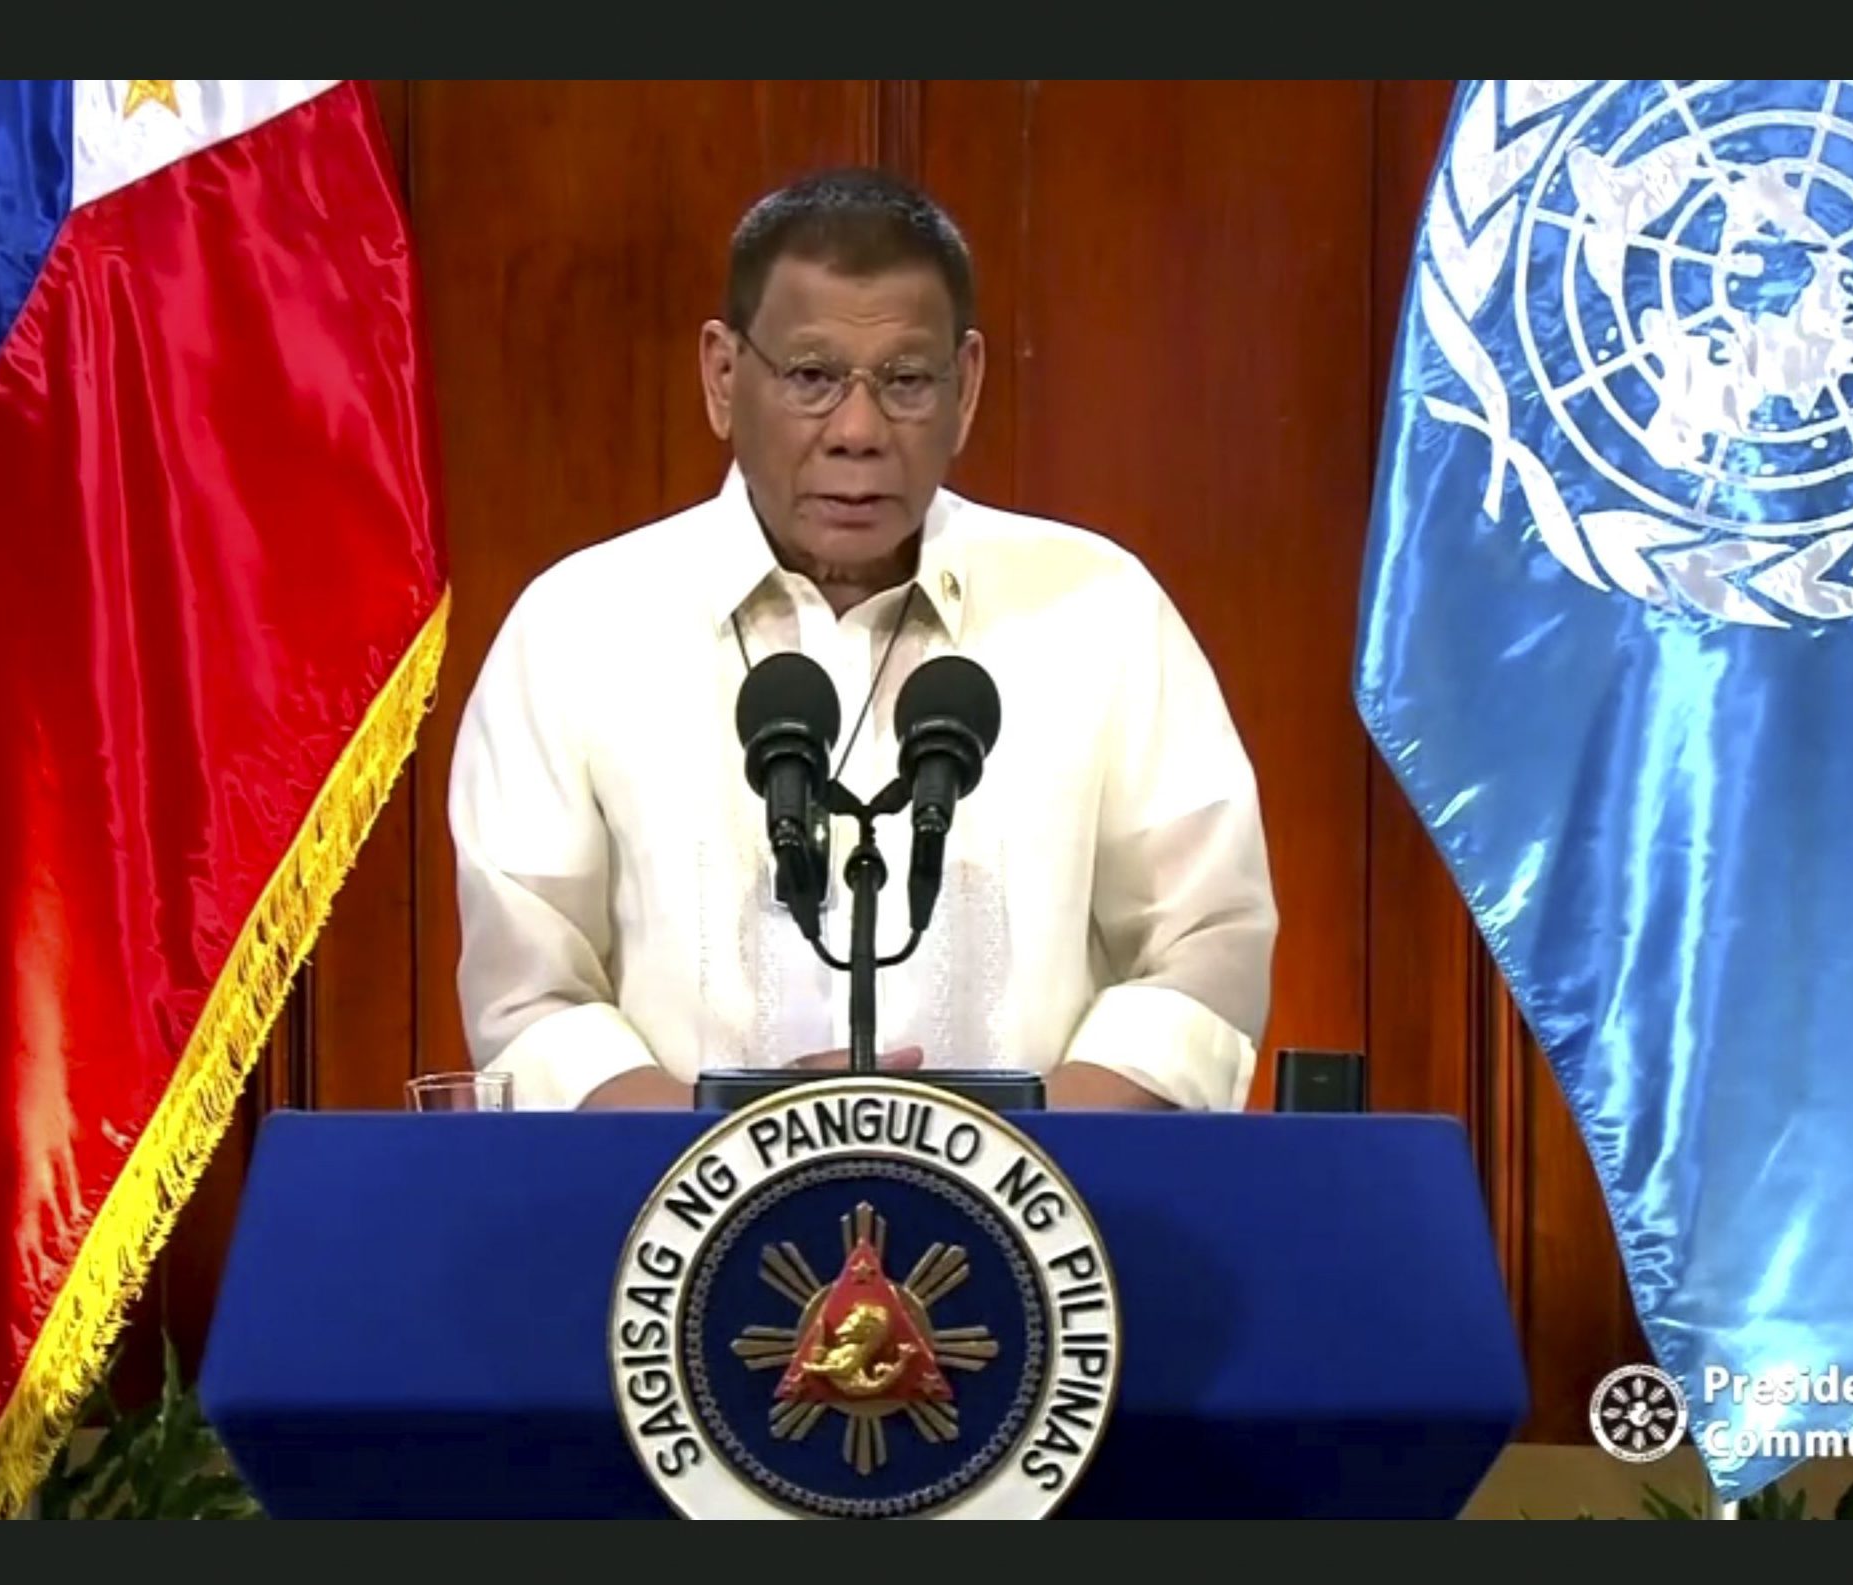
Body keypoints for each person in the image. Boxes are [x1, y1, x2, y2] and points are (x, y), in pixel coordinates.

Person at [447, 168, 1277, 1111]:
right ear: (724, 378)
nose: (857, 430)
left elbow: (1208, 939)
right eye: (810, 378)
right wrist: (743, 1146)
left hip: (1050, 1222)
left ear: (964, 387)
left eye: (905, 382)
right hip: (667, 1226)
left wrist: (1008, 1156)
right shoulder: (578, 629)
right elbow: (533, 997)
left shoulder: (1100, 610)